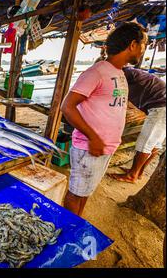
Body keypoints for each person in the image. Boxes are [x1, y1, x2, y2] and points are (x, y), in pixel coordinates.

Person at [61, 22, 148, 216]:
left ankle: (76, 224)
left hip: (104, 147)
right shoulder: (97, 72)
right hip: (89, 147)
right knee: (76, 194)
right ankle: (67, 233)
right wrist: (93, 137)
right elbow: (67, 107)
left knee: (85, 193)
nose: (143, 50)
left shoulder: (118, 72)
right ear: (133, 45)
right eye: (144, 44)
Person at [109, 67, 166, 183]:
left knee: (144, 143)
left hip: (161, 107)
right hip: (160, 106)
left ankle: (132, 175)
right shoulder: (131, 73)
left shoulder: (125, 73)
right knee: (155, 143)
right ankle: (138, 172)